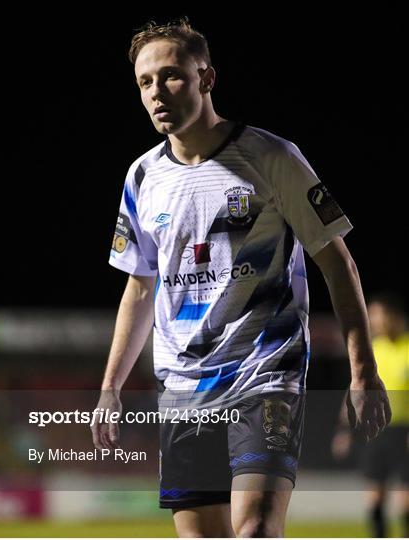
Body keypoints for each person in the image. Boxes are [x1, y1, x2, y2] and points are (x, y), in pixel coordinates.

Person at [91, 18, 391, 538]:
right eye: (144, 82)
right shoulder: (141, 177)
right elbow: (139, 286)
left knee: (253, 529)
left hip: (264, 374)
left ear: (207, 78)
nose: (157, 93)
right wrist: (110, 386)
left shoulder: (272, 158)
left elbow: (337, 262)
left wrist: (362, 372)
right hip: (184, 387)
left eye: (171, 76)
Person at [332, 293, 409, 538]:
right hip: (377, 432)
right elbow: (355, 390)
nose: (375, 322)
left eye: (379, 316)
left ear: (395, 318)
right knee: (375, 499)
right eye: (372, 316)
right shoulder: (373, 349)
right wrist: (343, 429)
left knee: (405, 502)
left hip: (404, 433)